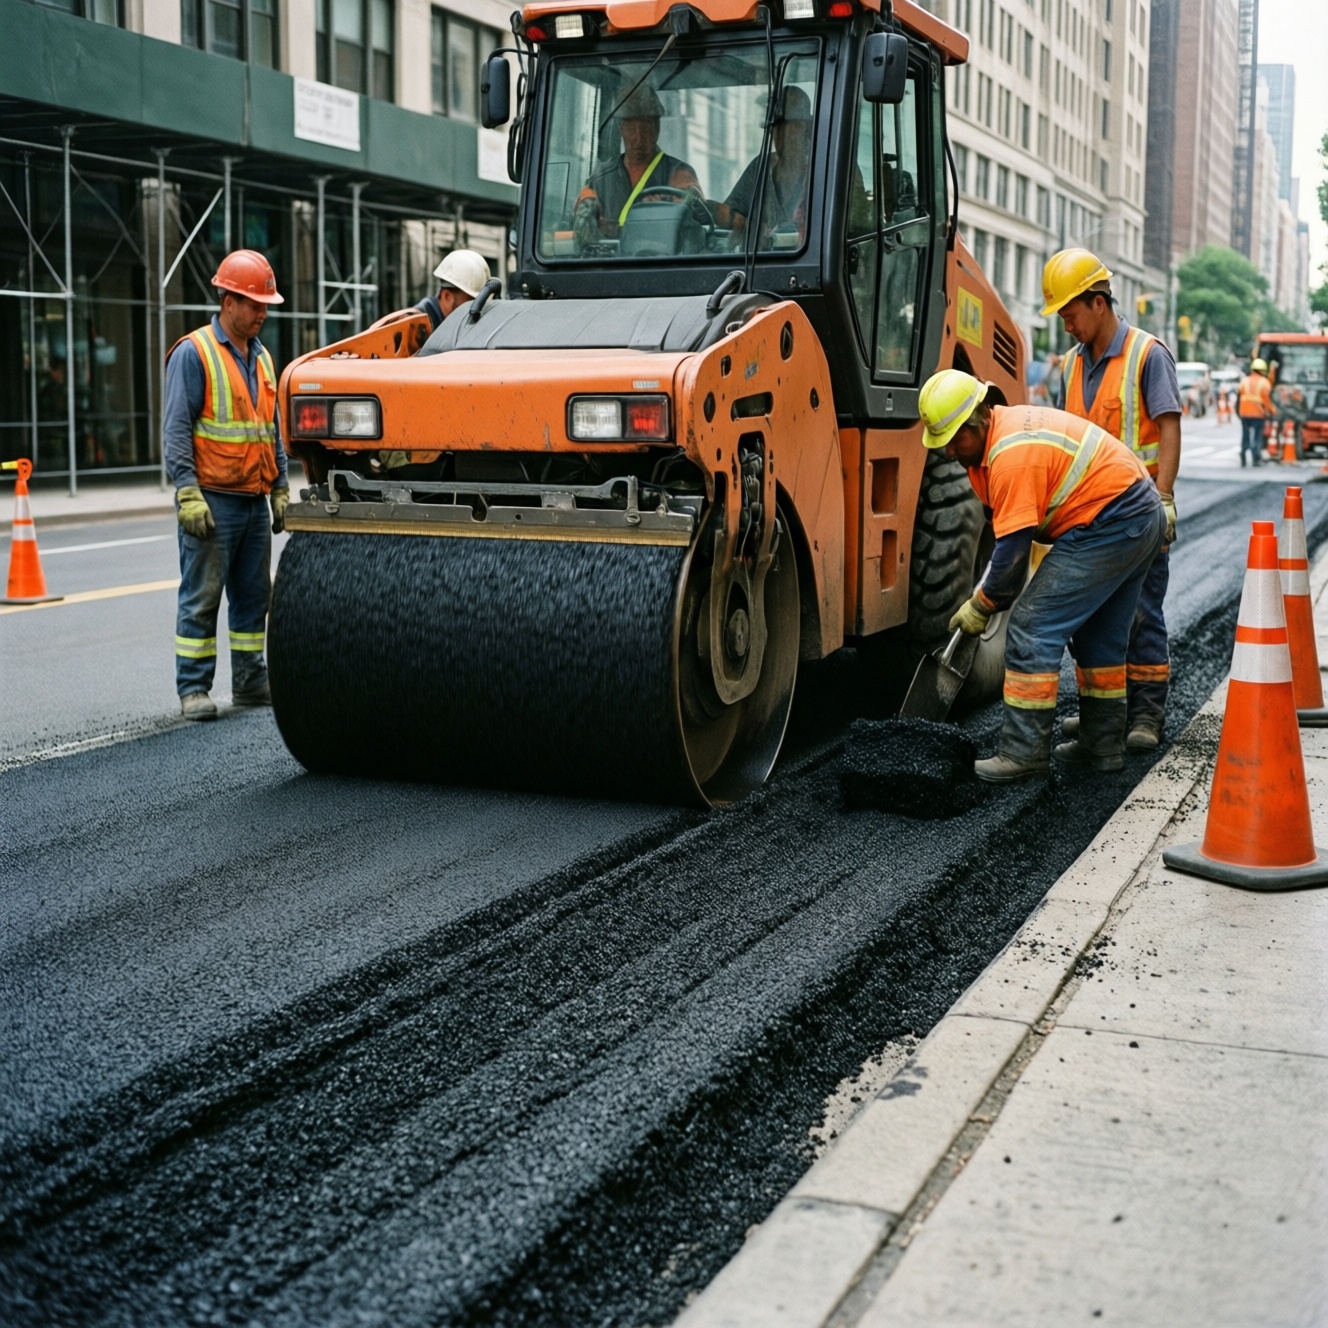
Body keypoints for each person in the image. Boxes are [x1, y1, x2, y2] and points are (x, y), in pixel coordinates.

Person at [918, 369, 1166, 783]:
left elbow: (1011, 561)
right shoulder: (996, 440)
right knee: (1098, 634)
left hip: (1112, 520)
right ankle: (1102, 745)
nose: (947, 453)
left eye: (953, 440)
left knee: (1032, 627)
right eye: (940, 444)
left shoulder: (1011, 455)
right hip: (1138, 514)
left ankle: (1023, 752)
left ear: (979, 417)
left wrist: (980, 606)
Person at [1041, 247, 1181, 753]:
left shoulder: (1148, 354)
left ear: (1098, 302)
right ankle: (1104, 712)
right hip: (1088, 520)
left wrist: (1163, 498)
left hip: (1138, 515)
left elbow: (1168, 426)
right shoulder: (1071, 366)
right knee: (1091, 618)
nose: (1066, 325)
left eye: (1070, 313)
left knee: (1142, 613)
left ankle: (1145, 713)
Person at [164, 249, 289, 722]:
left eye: (265, 306)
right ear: (229, 300)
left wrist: (278, 485)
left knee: (254, 598)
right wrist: (187, 491)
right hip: (213, 501)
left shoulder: (261, 358)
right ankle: (194, 688)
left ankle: (250, 681)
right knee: (202, 597)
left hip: (253, 500)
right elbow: (176, 427)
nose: (262, 314)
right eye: (255, 304)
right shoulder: (195, 353)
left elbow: (268, 428)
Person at [572, 85, 702, 249]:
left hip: (660, 267)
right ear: (620, 129)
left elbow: (696, 215)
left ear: (657, 128)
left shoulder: (680, 175)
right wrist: (584, 217)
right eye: (631, 128)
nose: (638, 138)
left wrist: (677, 205)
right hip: (608, 269)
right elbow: (580, 229)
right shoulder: (600, 180)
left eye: (646, 128)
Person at [714, 86, 814, 246]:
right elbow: (729, 213)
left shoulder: (825, 171)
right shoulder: (760, 168)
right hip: (760, 266)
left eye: (788, 126)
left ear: (805, 128)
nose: (780, 134)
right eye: (776, 127)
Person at [414, 248, 490, 333]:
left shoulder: (453, 324)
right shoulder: (415, 327)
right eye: (471, 304)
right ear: (447, 297)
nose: (476, 311)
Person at [1238, 357, 1275, 468]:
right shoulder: (1265, 383)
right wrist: (1273, 410)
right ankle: (1256, 457)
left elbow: (1240, 394)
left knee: (1245, 435)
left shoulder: (1244, 381)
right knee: (1258, 436)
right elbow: (1266, 400)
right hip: (1258, 413)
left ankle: (1243, 455)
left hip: (1244, 413)